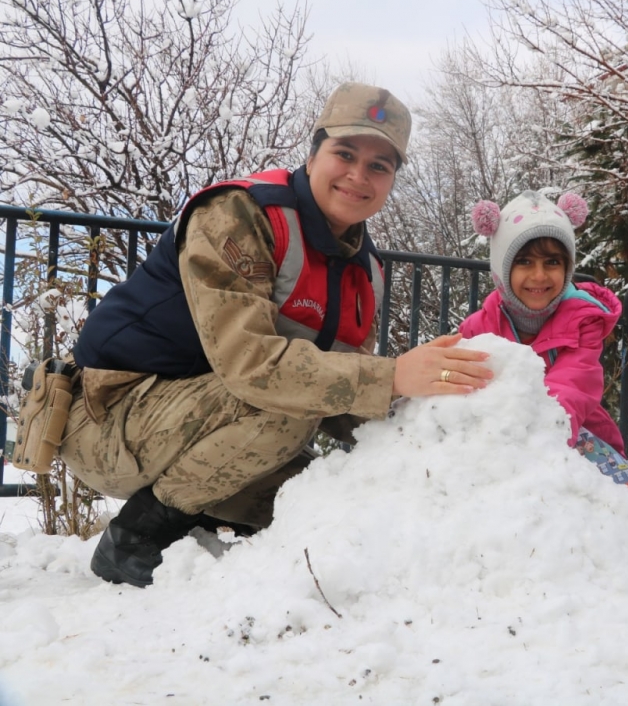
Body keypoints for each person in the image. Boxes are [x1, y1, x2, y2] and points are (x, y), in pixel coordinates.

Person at [59, 82, 493, 588]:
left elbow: (346, 394)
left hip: (200, 421)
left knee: (319, 499)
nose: (359, 175)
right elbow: (253, 368)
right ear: (313, 154)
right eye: (345, 153)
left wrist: (427, 443)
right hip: (106, 417)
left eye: (380, 165)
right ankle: (136, 536)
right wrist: (395, 375)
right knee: (289, 407)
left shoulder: (365, 270)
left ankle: (193, 518)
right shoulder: (239, 215)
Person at [460, 190, 628, 503]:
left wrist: (541, 439)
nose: (539, 275)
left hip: (576, 435)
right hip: (502, 444)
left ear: (567, 267)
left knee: (622, 509)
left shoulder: (582, 318)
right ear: (501, 268)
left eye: (552, 262)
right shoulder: (478, 327)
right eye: (524, 261)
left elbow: (573, 382)